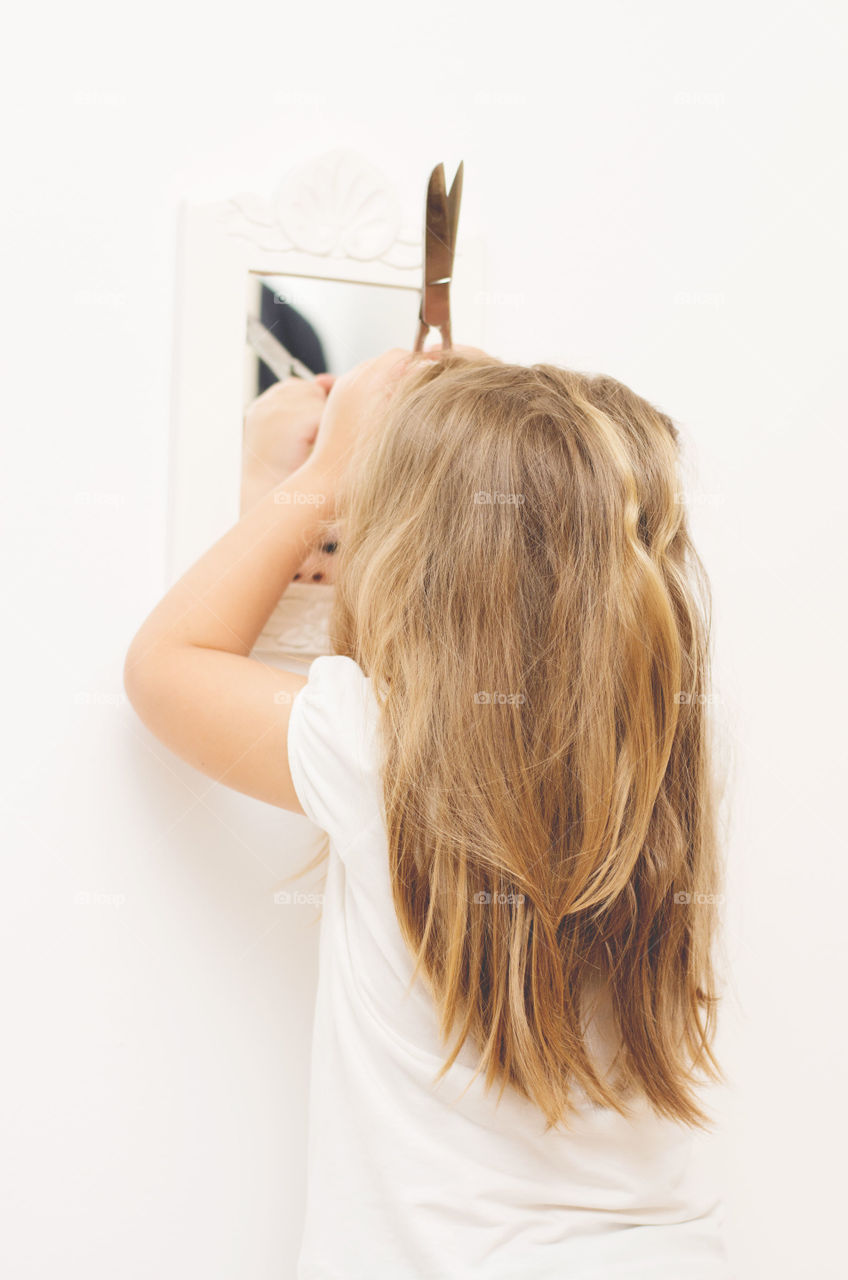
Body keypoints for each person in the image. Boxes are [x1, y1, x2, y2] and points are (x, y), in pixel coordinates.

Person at [123, 344, 733, 1279]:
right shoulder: (664, 752)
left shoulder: (375, 747)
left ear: (414, 562)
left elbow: (168, 663)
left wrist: (320, 475)